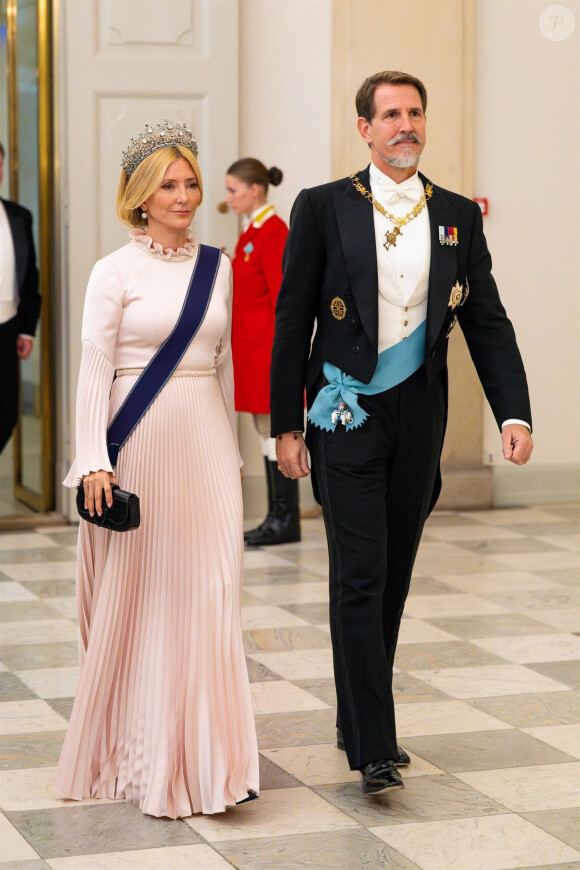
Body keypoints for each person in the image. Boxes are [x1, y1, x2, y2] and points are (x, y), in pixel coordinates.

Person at [270, 71, 533, 796]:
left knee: (394, 576)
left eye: (414, 112)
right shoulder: (323, 207)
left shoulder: (455, 214)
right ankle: (374, 746)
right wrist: (286, 426)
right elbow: (294, 320)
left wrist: (514, 411)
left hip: (420, 416)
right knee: (359, 572)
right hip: (347, 414)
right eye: (389, 114)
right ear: (365, 128)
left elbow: (486, 319)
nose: (404, 125)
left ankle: (358, 714)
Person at [54, 121, 259, 817]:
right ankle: (141, 755)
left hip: (204, 441)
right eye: (168, 185)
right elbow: (93, 369)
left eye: (191, 182)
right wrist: (91, 460)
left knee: (212, 591)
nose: (183, 195)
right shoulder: (112, 272)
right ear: (139, 197)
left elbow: (224, 367)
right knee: (146, 598)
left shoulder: (219, 267)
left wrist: (234, 453)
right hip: (135, 439)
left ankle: (207, 762)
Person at [225, 158, 300, 546]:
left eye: (233, 190)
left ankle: (284, 519)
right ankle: (276, 516)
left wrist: (281, 359)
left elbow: (284, 300)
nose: (228, 198)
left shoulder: (273, 232)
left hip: (268, 352)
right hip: (252, 351)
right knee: (263, 435)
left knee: (274, 434)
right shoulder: (252, 231)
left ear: (255, 189)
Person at [0, 142, 41, 453]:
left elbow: (30, 274)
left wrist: (27, 328)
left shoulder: (18, 216)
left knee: (6, 413)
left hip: (8, 327)